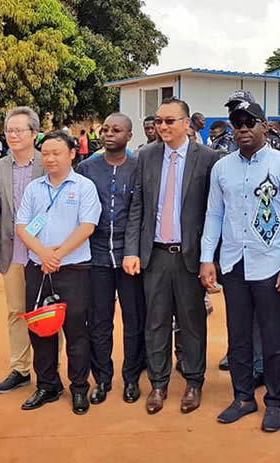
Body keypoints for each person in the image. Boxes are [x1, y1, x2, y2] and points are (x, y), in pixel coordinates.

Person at [200, 100, 280, 432]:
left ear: (264, 126)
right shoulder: (222, 168)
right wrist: (207, 258)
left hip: (272, 263)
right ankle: (243, 397)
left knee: (273, 337)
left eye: (250, 122)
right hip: (233, 263)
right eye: (237, 123)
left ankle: (274, 401)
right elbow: (214, 215)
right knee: (239, 336)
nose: (243, 129)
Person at [123, 97, 220, 415]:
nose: (162, 127)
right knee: (156, 322)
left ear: (187, 123)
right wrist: (132, 251)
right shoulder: (145, 156)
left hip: (190, 256)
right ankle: (159, 384)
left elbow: (213, 212)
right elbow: (136, 207)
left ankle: (193, 383)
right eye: (158, 121)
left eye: (169, 121)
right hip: (155, 256)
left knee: (193, 323)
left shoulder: (207, 158)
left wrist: (210, 257)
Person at [16, 131, 101, 415]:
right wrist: (43, 254)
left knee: (76, 331)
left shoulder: (85, 186)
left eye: (57, 153)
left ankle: (79, 388)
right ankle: (47, 384)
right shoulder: (34, 188)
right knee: (40, 328)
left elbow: (87, 226)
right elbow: (21, 226)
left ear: (72, 154)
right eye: (46, 153)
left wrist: (57, 254)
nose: (50, 158)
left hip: (74, 269)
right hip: (38, 268)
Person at [77, 113, 147, 405]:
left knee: (134, 320)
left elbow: (138, 213)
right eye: (105, 129)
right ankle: (102, 378)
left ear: (129, 136)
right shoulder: (86, 168)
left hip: (129, 258)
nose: (108, 134)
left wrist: (131, 251)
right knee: (99, 321)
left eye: (116, 130)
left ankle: (131, 378)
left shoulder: (138, 168)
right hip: (95, 258)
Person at [0, 106, 45, 394]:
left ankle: (49, 369)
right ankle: (20, 369)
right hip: (12, 252)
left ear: (34, 133)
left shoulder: (48, 163)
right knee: (16, 312)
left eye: (19, 130)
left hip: (45, 253)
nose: (13, 135)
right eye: (9, 130)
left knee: (47, 311)